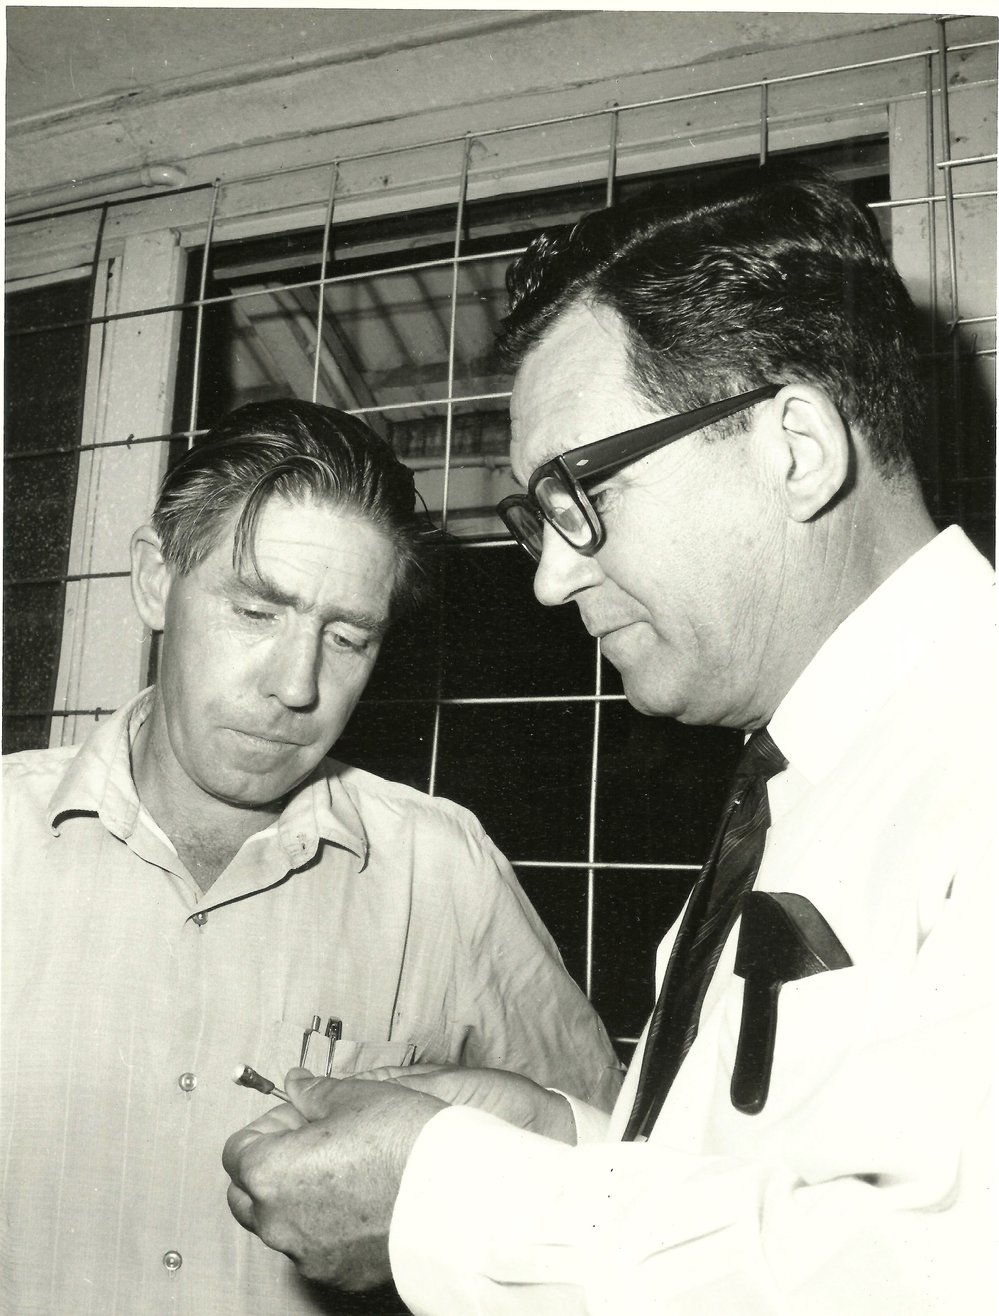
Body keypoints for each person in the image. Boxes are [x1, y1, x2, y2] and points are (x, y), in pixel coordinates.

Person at [222, 166, 996, 1315]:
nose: (548, 576)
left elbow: (937, 1270)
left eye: (580, 491)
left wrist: (443, 1195)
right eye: (536, 517)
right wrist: (555, 1136)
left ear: (796, 447)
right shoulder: (814, 779)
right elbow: (772, 1200)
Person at [0, 399, 623, 1316]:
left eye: (347, 637)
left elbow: (609, 1173)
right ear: (151, 580)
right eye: (257, 609)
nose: (297, 687)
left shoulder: (439, 870)